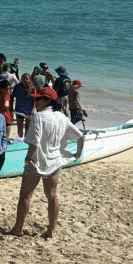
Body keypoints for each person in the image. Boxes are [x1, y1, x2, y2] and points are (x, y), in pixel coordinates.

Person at [8, 87, 84, 240]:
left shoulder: (39, 117)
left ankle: (18, 228)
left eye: (38, 99)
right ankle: (51, 231)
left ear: (48, 100)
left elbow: (34, 142)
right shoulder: (62, 117)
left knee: (25, 196)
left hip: (36, 162)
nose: (35, 102)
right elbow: (80, 137)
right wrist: (77, 154)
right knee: (52, 196)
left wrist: (29, 158)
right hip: (55, 162)